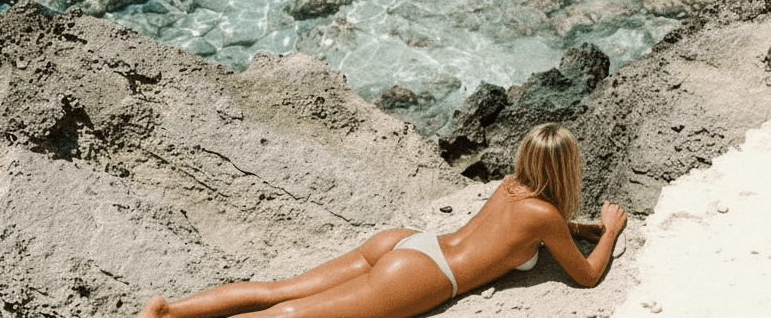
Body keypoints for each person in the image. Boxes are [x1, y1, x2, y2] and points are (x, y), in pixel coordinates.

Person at [138, 123, 627, 318]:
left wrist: (576, 228)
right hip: (425, 276)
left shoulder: (510, 186)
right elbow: (586, 277)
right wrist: (609, 231)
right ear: (567, 168)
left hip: (407, 244)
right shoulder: (544, 216)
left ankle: (168, 312)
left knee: (279, 292)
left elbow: (528, 229)